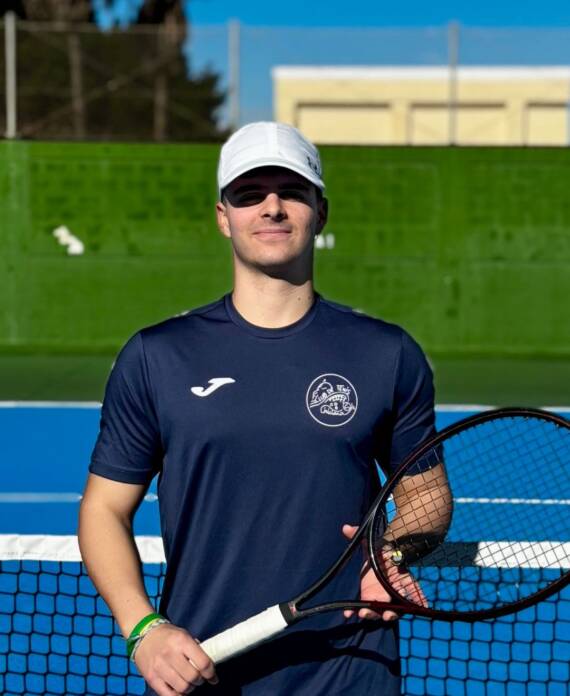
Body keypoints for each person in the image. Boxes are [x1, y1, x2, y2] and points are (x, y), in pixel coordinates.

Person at [78, 121, 438, 695]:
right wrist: (143, 629)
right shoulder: (157, 356)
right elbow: (103, 510)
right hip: (203, 671)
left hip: (350, 671)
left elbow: (427, 496)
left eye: (291, 192)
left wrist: (389, 553)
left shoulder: (387, 354)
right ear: (223, 217)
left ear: (321, 212)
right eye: (249, 195)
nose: (272, 207)